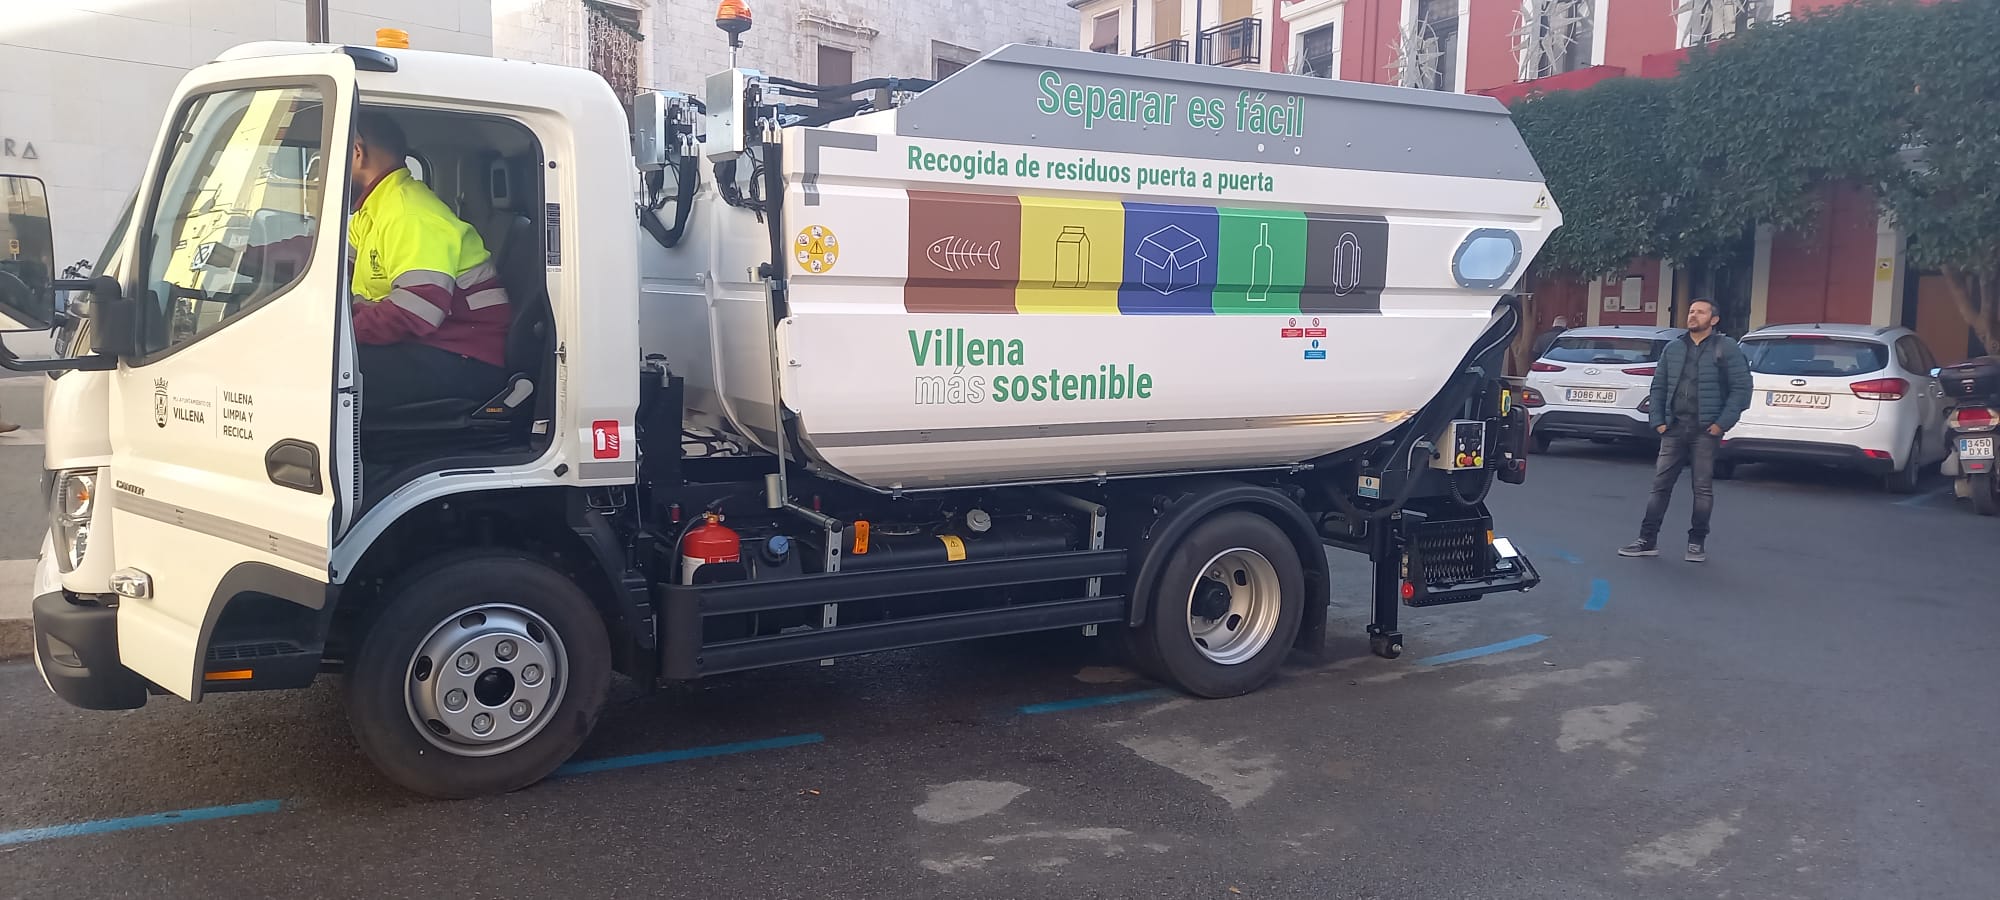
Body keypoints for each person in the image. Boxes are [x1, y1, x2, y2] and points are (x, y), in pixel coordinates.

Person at [345, 113, 511, 410]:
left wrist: (340, 333)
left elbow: (417, 310)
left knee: (329, 374)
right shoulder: (374, 211)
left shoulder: (409, 212)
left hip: (465, 356)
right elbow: (335, 266)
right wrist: (255, 254)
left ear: (357, 153)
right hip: (433, 344)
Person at [1619, 299, 1751, 563]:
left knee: (1702, 489)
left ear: (1713, 320)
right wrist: (1658, 420)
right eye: (1691, 311)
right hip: (1674, 428)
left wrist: (1721, 423)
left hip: (1706, 431)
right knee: (1660, 486)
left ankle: (1696, 542)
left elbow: (1742, 389)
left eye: (1700, 312)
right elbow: (1658, 387)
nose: (1693, 315)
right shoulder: (1673, 348)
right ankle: (1647, 540)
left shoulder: (1726, 348)